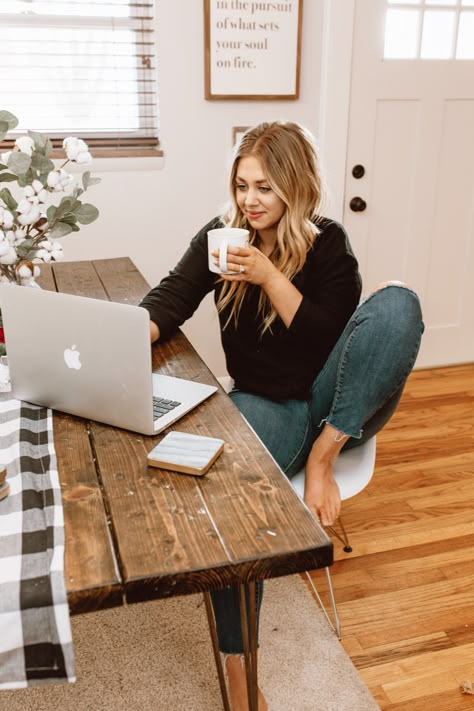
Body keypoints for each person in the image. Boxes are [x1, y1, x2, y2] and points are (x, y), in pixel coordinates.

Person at [139, 121, 424, 711]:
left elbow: (326, 339)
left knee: (398, 305)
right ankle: (241, 670)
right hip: (264, 403)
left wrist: (268, 276)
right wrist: (120, 337)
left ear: (296, 186)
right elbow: (170, 298)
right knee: (228, 507)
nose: (249, 200)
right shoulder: (221, 237)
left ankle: (322, 460)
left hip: (334, 398)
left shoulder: (329, 245)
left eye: (265, 187)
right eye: (242, 185)